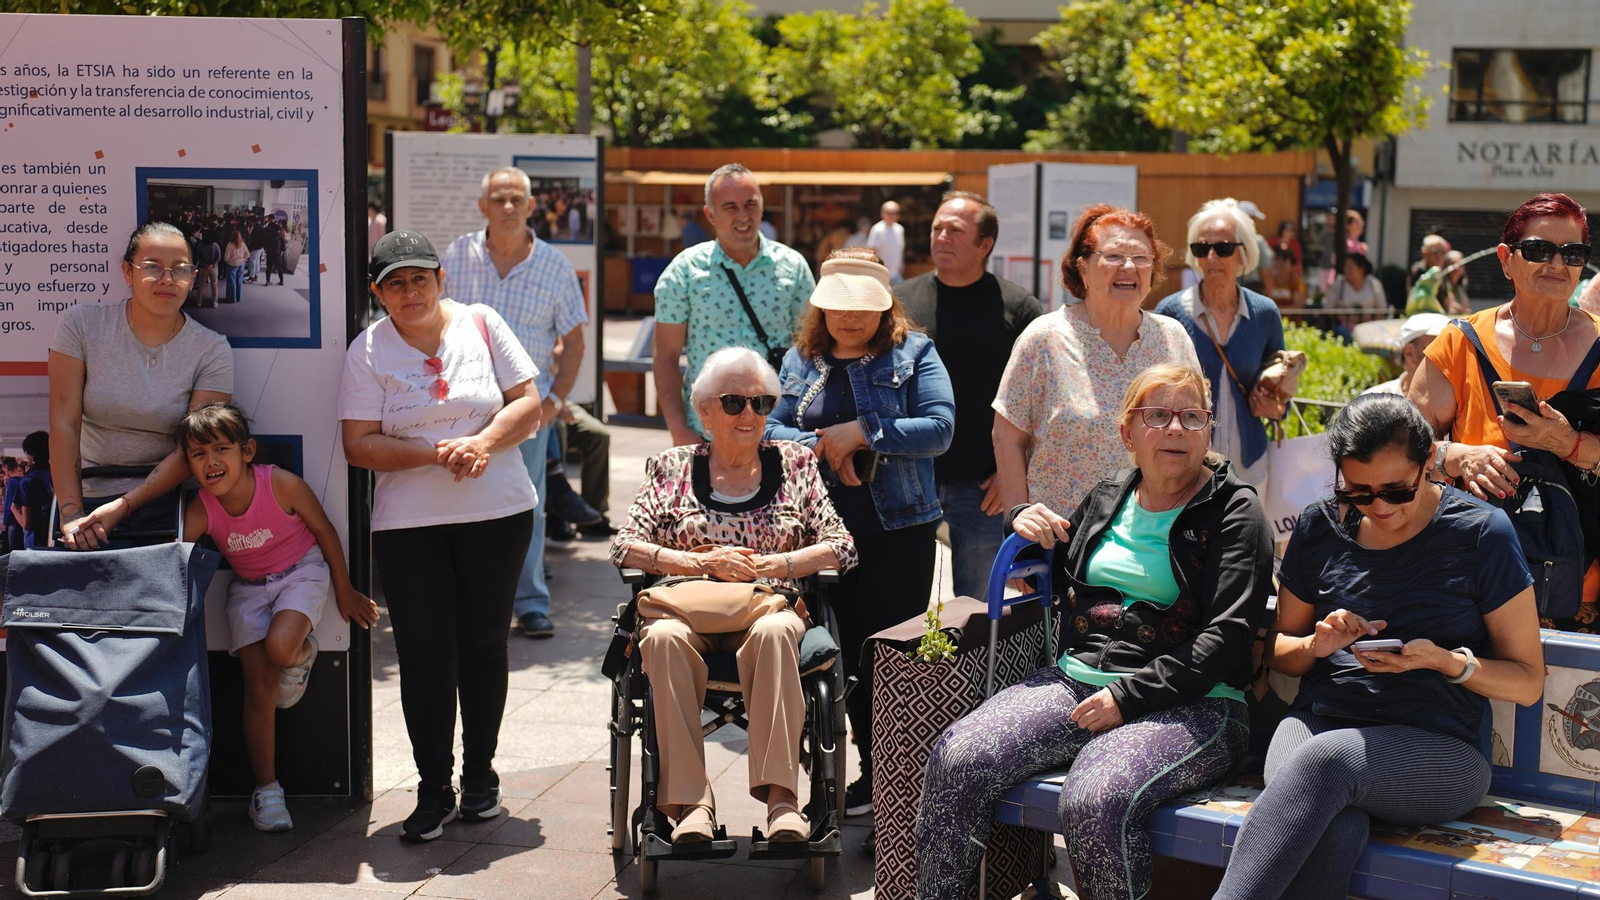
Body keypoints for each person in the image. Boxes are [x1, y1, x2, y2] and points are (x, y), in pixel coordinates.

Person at [918, 363, 1272, 900]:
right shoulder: (1110, 495)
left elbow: (1228, 638)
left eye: (1191, 416)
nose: (1175, 428)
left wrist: (1128, 696)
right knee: (959, 756)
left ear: (1208, 430)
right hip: (1077, 683)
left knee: (1094, 796)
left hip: (1198, 704)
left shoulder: (1234, 511)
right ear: (1128, 433)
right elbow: (1061, 580)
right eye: (1158, 415)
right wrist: (1030, 526)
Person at [1212, 394, 1543, 900]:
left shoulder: (1481, 533)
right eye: (1360, 493)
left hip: (1439, 748)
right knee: (1330, 815)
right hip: (1321, 723)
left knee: (1326, 767)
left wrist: (1446, 661)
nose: (1380, 506)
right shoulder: (1320, 526)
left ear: (1429, 460)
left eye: (1396, 489)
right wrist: (1318, 644)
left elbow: (1527, 681)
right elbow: (1279, 651)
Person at [340, 230, 543, 842]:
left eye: (419, 278)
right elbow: (359, 444)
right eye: (394, 283)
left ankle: (480, 777)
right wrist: (434, 453)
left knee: (484, 646)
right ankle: (434, 787)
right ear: (377, 292)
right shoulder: (368, 351)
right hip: (409, 526)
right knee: (425, 654)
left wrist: (481, 443)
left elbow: (529, 405)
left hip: (498, 514)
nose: (410, 292)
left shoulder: (482, 322)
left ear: (440, 279)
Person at [610, 346, 858, 845]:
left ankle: (783, 804)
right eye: (733, 403)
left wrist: (778, 566)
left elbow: (842, 547)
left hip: (768, 606)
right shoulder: (673, 466)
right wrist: (698, 563)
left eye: (761, 403)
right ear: (704, 410)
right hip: (686, 608)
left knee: (773, 631)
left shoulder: (795, 463)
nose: (749, 414)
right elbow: (623, 545)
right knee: (660, 640)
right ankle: (692, 806)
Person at [766, 248, 953, 818]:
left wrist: (864, 432)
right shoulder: (800, 357)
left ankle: (883, 779)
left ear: (886, 306)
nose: (849, 319)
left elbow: (940, 429)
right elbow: (770, 424)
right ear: (820, 309)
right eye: (838, 308)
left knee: (885, 660)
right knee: (827, 656)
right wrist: (826, 444)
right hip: (816, 530)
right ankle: (829, 770)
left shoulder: (915, 352)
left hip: (897, 531)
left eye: (863, 309)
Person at [176, 403, 377, 832]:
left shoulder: (280, 484)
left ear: (246, 451)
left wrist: (345, 590)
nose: (211, 462)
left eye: (221, 449)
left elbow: (324, 530)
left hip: (301, 572)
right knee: (259, 690)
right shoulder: (200, 509)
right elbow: (178, 565)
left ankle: (301, 656)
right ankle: (266, 791)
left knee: (281, 648)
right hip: (247, 590)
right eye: (198, 454)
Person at [1409, 192, 1600, 625]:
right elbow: (1398, 447)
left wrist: (1568, 443)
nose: (1556, 264)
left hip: (1583, 587)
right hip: (1470, 569)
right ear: (1505, 259)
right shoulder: (1461, 342)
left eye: (1572, 254)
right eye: (1538, 250)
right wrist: (1456, 456)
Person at [440, 166, 590, 641]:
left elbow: (575, 342)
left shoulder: (553, 265)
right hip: (460, 410)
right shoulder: (456, 257)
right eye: (498, 199)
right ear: (483, 206)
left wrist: (555, 400)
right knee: (458, 502)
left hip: (526, 412)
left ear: (530, 207)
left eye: (516, 200)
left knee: (527, 508)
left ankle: (529, 603)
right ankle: (467, 602)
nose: (508, 207)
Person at [994, 204, 1199, 518]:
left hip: (1155, 535)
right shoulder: (1045, 338)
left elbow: (1197, 430)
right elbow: (1007, 437)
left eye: (1142, 257)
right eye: (1114, 256)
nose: (1129, 266)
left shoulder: (1173, 337)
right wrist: (1019, 515)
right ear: (1083, 268)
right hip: (1061, 536)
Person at [49, 222, 234, 550]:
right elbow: (64, 422)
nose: (167, 279)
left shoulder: (211, 349)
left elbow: (196, 446)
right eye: (152, 267)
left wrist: (123, 506)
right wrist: (71, 511)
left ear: (192, 277)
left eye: (180, 269)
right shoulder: (81, 325)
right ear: (127, 272)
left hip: (170, 505)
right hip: (86, 499)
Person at [895, 191, 1042, 598]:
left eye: (955, 230)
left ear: (985, 244)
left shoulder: (1020, 309)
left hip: (984, 489)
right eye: (937, 228)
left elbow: (1040, 401)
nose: (942, 237)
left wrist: (1015, 470)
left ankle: (974, 667)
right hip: (910, 480)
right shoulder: (900, 303)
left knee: (976, 612)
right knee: (904, 605)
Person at [653, 163, 816, 446]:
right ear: (710, 214)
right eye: (730, 207)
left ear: (762, 208)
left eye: (750, 205)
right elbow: (666, 358)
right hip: (706, 434)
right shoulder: (684, 271)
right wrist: (679, 431)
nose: (743, 216)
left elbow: (811, 349)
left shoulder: (794, 267)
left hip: (775, 431)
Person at [1156, 199, 1287, 490]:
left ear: (1243, 254)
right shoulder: (1170, 314)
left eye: (1223, 248)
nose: (1212, 257)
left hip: (1249, 466)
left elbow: (1282, 387)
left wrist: (1275, 406)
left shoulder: (1264, 314)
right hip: (1187, 471)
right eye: (1202, 249)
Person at [1363, 313, 1448, 397]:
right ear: (1409, 353)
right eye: (1436, 349)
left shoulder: (1458, 402)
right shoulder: (1373, 399)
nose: (1449, 356)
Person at [1323, 252, 1386, 339]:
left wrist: (1369, 321)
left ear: (1361, 268)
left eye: (1350, 267)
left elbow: (1382, 310)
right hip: (1343, 330)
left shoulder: (1374, 284)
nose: (1346, 270)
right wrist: (1344, 317)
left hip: (1369, 329)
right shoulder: (1339, 284)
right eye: (1345, 267)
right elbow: (1328, 309)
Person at [14, 432, 52, 551]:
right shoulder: (58, 475)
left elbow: (27, 524)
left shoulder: (27, 482)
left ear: (30, 455)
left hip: (35, 544)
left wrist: (14, 510)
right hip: (57, 540)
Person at [867, 200, 906, 284]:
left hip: (896, 274)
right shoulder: (877, 229)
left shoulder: (900, 229)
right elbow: (872, 252)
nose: (892, 215)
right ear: (882, 214)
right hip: (881, 274)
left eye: (895, 213)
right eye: (889, 213)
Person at [1260, 243, 1306, 308]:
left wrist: (1276, 310)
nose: (1280, 263)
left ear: (1292, 265)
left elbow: (1298, 307)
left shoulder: (1297, 283)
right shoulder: (1268, 281)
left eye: (1284, 260)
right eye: (1277, 259)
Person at [191, 228, 221, 308]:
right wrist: (212, 264)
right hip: (214, 268)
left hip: (203, 268)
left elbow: (198, 256)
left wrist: (205, 264)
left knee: (201, 285)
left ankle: (199, 302)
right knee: (214, 286)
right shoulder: (215, 245)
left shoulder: (201, 245)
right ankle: (214, 302)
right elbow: (218, 256)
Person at [2, 457, 23, 553]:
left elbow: (8, 504)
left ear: (7, 468)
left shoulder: (12, 482)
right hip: (23, 518)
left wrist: (5, 522)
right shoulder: (23, 480)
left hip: (13, 521)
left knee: (13, 550)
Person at [224, 229, 249, 304]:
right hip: (241, 264)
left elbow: (226, 257)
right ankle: (239, 297)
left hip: (232, 264)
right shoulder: (242, 244)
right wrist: (243, 260)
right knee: (239, 281)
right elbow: (247, 254)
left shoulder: (230, 245)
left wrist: (228, 261)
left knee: (231, 282)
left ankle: (232, 299)